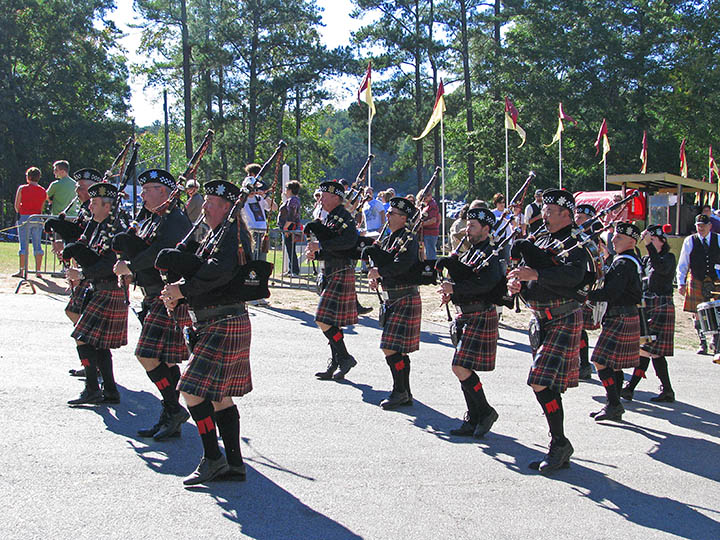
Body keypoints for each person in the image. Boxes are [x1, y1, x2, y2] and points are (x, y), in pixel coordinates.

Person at [160, 179, 253, 485]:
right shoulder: (217, 234)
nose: (205, 206)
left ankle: (213, 458)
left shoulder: (233, 234)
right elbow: (205, 267)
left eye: (211, 202)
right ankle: (235, 464)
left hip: (224, 320)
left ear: (227, 208)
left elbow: (218, 272)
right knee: (219, 397)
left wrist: (182, 289)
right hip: (217, 321)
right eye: (206, 201)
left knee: (190, 389)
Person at [507, 189, 587, 474]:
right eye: (545, 210)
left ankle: (559, 442)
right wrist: (519, 284)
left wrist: (537, 274)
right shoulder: (541, 237)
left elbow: (574, 275)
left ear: (567, 214)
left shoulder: (576, 242)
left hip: (563, 316)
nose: (545, 215)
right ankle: (559, 445)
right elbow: (528, 271)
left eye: (551, 211)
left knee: (539, 380)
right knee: (548, 385)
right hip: (540, 318)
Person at [113, 169, 193, 441]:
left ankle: (173, 408)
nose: (143, 193)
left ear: (165, 192)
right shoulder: (151, 218)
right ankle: (171, 413)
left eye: (149, 189)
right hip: (151, 294)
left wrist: (131, 265)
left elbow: (159, 251)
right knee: (164, 360)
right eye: (144, 189)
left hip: (166, 295)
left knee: (146, 354)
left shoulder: (175, 220)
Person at [439, 207, 502, 438]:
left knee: (460, 367)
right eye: (468, 225)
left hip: (480, 314)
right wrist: (452, 294)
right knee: (462, 369)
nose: (468, 229)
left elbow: (485, 284)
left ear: (486, 229)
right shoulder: (470, 252)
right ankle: (474, 416)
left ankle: (484, 411)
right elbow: (466, 280)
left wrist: (455, 288)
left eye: (473, 226)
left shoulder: (490, 254)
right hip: (466, 315)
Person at [64, 182, 128, 405]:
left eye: (94, 203)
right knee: (99, 345)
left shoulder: (116, 230)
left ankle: (92, 388)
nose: (90, 207)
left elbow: (109, 264)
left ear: (107, 206)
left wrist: (81, 273)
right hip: (98, 290)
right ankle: (109, 390)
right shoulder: (99, 226)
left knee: (82, 338)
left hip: (109, 290)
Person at [366, 197, 422, 410]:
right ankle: (404, 392)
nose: (387, 216)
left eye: (391, 213)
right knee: (398, 350)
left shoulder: (408, 238)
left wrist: (380, 271)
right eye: (388, 212)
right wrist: (377, 275)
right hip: (394, 297)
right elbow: (386, 261)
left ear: (403, 218)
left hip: (405, 296)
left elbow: (402, 264)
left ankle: (399, 391)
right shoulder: (390, 238)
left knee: (390, 347)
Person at [45, 168, 101, 378]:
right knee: (74, 313)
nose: (77, 190)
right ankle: (90, 363)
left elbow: (86, 239)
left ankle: (94, 365)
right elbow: (77, 233)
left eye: (81, 187)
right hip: (80, 270)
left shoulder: (98, 212)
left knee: (81, 319)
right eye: (77, 186)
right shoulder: (84, 209)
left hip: (90, 272)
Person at [586, 222, 642, 422]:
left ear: (632, 241)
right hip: (624, 314)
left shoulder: (623, 263)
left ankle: (614, 404)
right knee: (613, 365)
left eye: (619, 237)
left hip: (620, 314)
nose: (614, 240)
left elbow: (612, 292)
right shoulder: (628, 260)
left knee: (600, 360)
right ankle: (613, 403)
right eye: (615, 236)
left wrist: (586, 295)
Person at [306, 180, 359, 381]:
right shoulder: (330, 218)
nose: (320, 198)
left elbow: (348, 242)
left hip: (340, 271)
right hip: (331, 270)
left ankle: (344, 357)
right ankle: (337, 360)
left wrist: (321, 245)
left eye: (324, 195)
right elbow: (333, 248)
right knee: (331, 322)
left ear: (336, 198)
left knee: (323, 319)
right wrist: (317, 254)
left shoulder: (344, 217)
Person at [621, 225, 677, 402]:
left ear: (662, 241)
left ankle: (631, 388)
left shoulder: (668, 258)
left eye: (652, 240)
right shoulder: (645, 259)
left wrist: (649, 246)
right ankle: (666, 390)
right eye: (648, 240)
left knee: (647, 348)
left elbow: (660, 269)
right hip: (647, 304)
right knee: (648, 348)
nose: (648, 243)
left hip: (662, 303)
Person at [676, 213, 720, 355]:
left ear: (710, 226)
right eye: (698, 226)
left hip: (715, 280)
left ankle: (716, 342)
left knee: (717, 312)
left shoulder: (718, 239)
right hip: (696, 279)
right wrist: (681, 283)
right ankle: (702, 343)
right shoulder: (690, 240)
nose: (700, 228)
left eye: (703, 226)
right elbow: (683, 263)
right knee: (697, 313)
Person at [574, 203, 600, 380]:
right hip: (571, 285)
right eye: (577, 216)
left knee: (580, 328)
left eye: (582, 217)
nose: (578, 219)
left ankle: (583, 364)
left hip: (581, 286)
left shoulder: (592, 240)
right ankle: (579, 363)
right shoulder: (573, 235)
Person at [14, 167, 47, 276]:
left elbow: (17, 205)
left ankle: (22, 270)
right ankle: (38, 271)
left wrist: (21, 212)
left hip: (24, 217)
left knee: (23, 245)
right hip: (37, 217)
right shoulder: (43, 190)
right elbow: (41, 207)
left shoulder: (22, 188)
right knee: (37, 245)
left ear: (28, 177)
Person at [278, 180, 302, 276]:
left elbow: (291, 216)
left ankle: (295, 270)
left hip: (290, 227)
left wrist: (285, 227)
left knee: (291, 249)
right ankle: (291, 269)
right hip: (289, 227)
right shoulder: (292, 200)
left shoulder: (293, 200)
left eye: (287, 189)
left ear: (290, 190)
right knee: (289, 249)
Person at [420, 191, 440, 260]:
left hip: (430, 233)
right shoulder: (427, 205)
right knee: (428, 252)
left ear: (431, 196)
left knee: (430, 252)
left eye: (428, 195)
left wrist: (422, 224)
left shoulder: (432, 205)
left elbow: (433, 220)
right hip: (427, 232)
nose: (425, 197)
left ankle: (432, 267)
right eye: (424, 196)